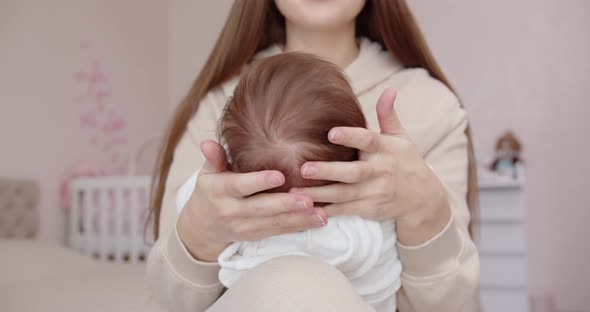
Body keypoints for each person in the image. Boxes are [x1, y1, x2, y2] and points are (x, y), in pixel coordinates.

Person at [146, 1, 480, 311]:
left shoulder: (432, 106)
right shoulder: (217, 105)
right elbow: (168, 301)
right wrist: (199, 235)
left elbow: (452, 303)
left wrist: (424, 210)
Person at [175, 52, 402, 311]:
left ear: (237, 166)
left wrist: (224, 170)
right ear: (354, 151)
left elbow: (187, 200)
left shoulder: (236, 218)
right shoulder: (369, 218)